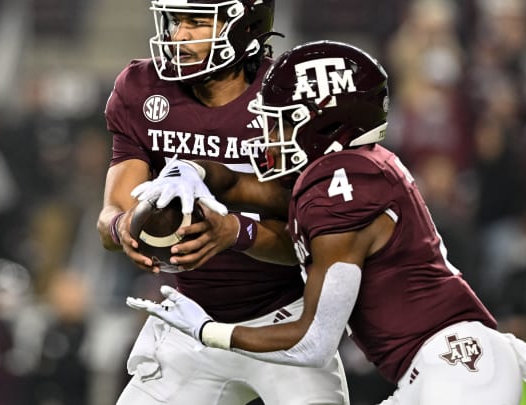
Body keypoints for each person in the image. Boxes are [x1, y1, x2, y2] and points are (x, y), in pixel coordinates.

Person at [127, 41, 526, 404]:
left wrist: (209, 332)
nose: (268, 137)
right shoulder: (346, 171)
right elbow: (248, 189)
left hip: (454, 365)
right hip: (444, 368)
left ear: (323, 122)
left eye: (281, 123)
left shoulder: (342, 184)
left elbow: (313, 342)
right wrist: (192, 169)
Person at [97, 1, 349, 404]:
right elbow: (112, 214)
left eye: (197, 22)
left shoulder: (289, 99)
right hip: (191, 322)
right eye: (176, 21)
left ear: (244, 25)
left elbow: (323, 246)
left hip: (284, 324)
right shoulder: (142, 89)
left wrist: (235, 232)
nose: (179, 36)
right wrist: (121, 228)